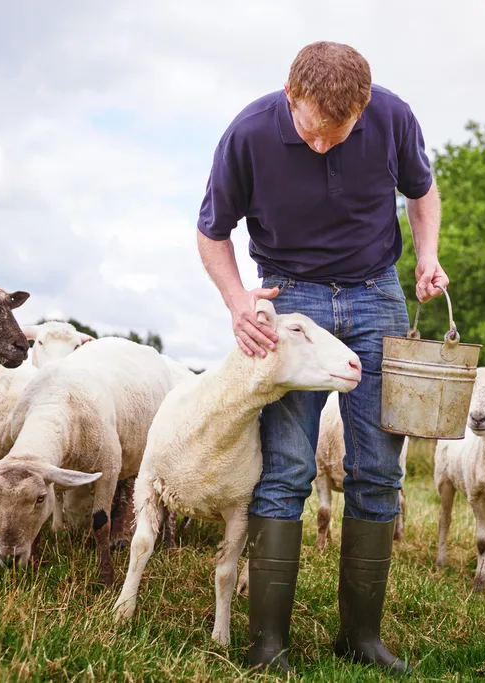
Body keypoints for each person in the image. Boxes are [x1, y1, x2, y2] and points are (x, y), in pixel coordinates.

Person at [196, 40, 447, 676]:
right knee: (284, 469)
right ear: (291, 97)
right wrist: (236, 302)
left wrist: (425, 257)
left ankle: (360, 637)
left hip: (376, 297)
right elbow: (211, 230)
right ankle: (267, 644)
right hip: (291, 303)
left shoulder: (392, 117)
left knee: (379, 471)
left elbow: (422, 192)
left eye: (337, 135)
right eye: (311, 130)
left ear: (362, 109)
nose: (322, 146)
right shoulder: (248, 134)